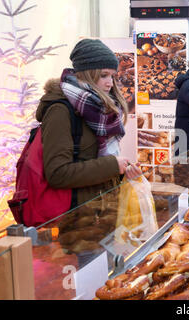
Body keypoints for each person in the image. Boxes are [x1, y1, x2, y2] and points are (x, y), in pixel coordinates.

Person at [37, 38, 142, 208]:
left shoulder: (100, 108)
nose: (110, 83)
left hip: (102, 209)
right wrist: (112, 165)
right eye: (103, 75)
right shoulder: (60, 110)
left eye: (112, 76)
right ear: (87, 73)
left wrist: (122, 172)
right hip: (76, 218)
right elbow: (57, 173)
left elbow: (96, 159)